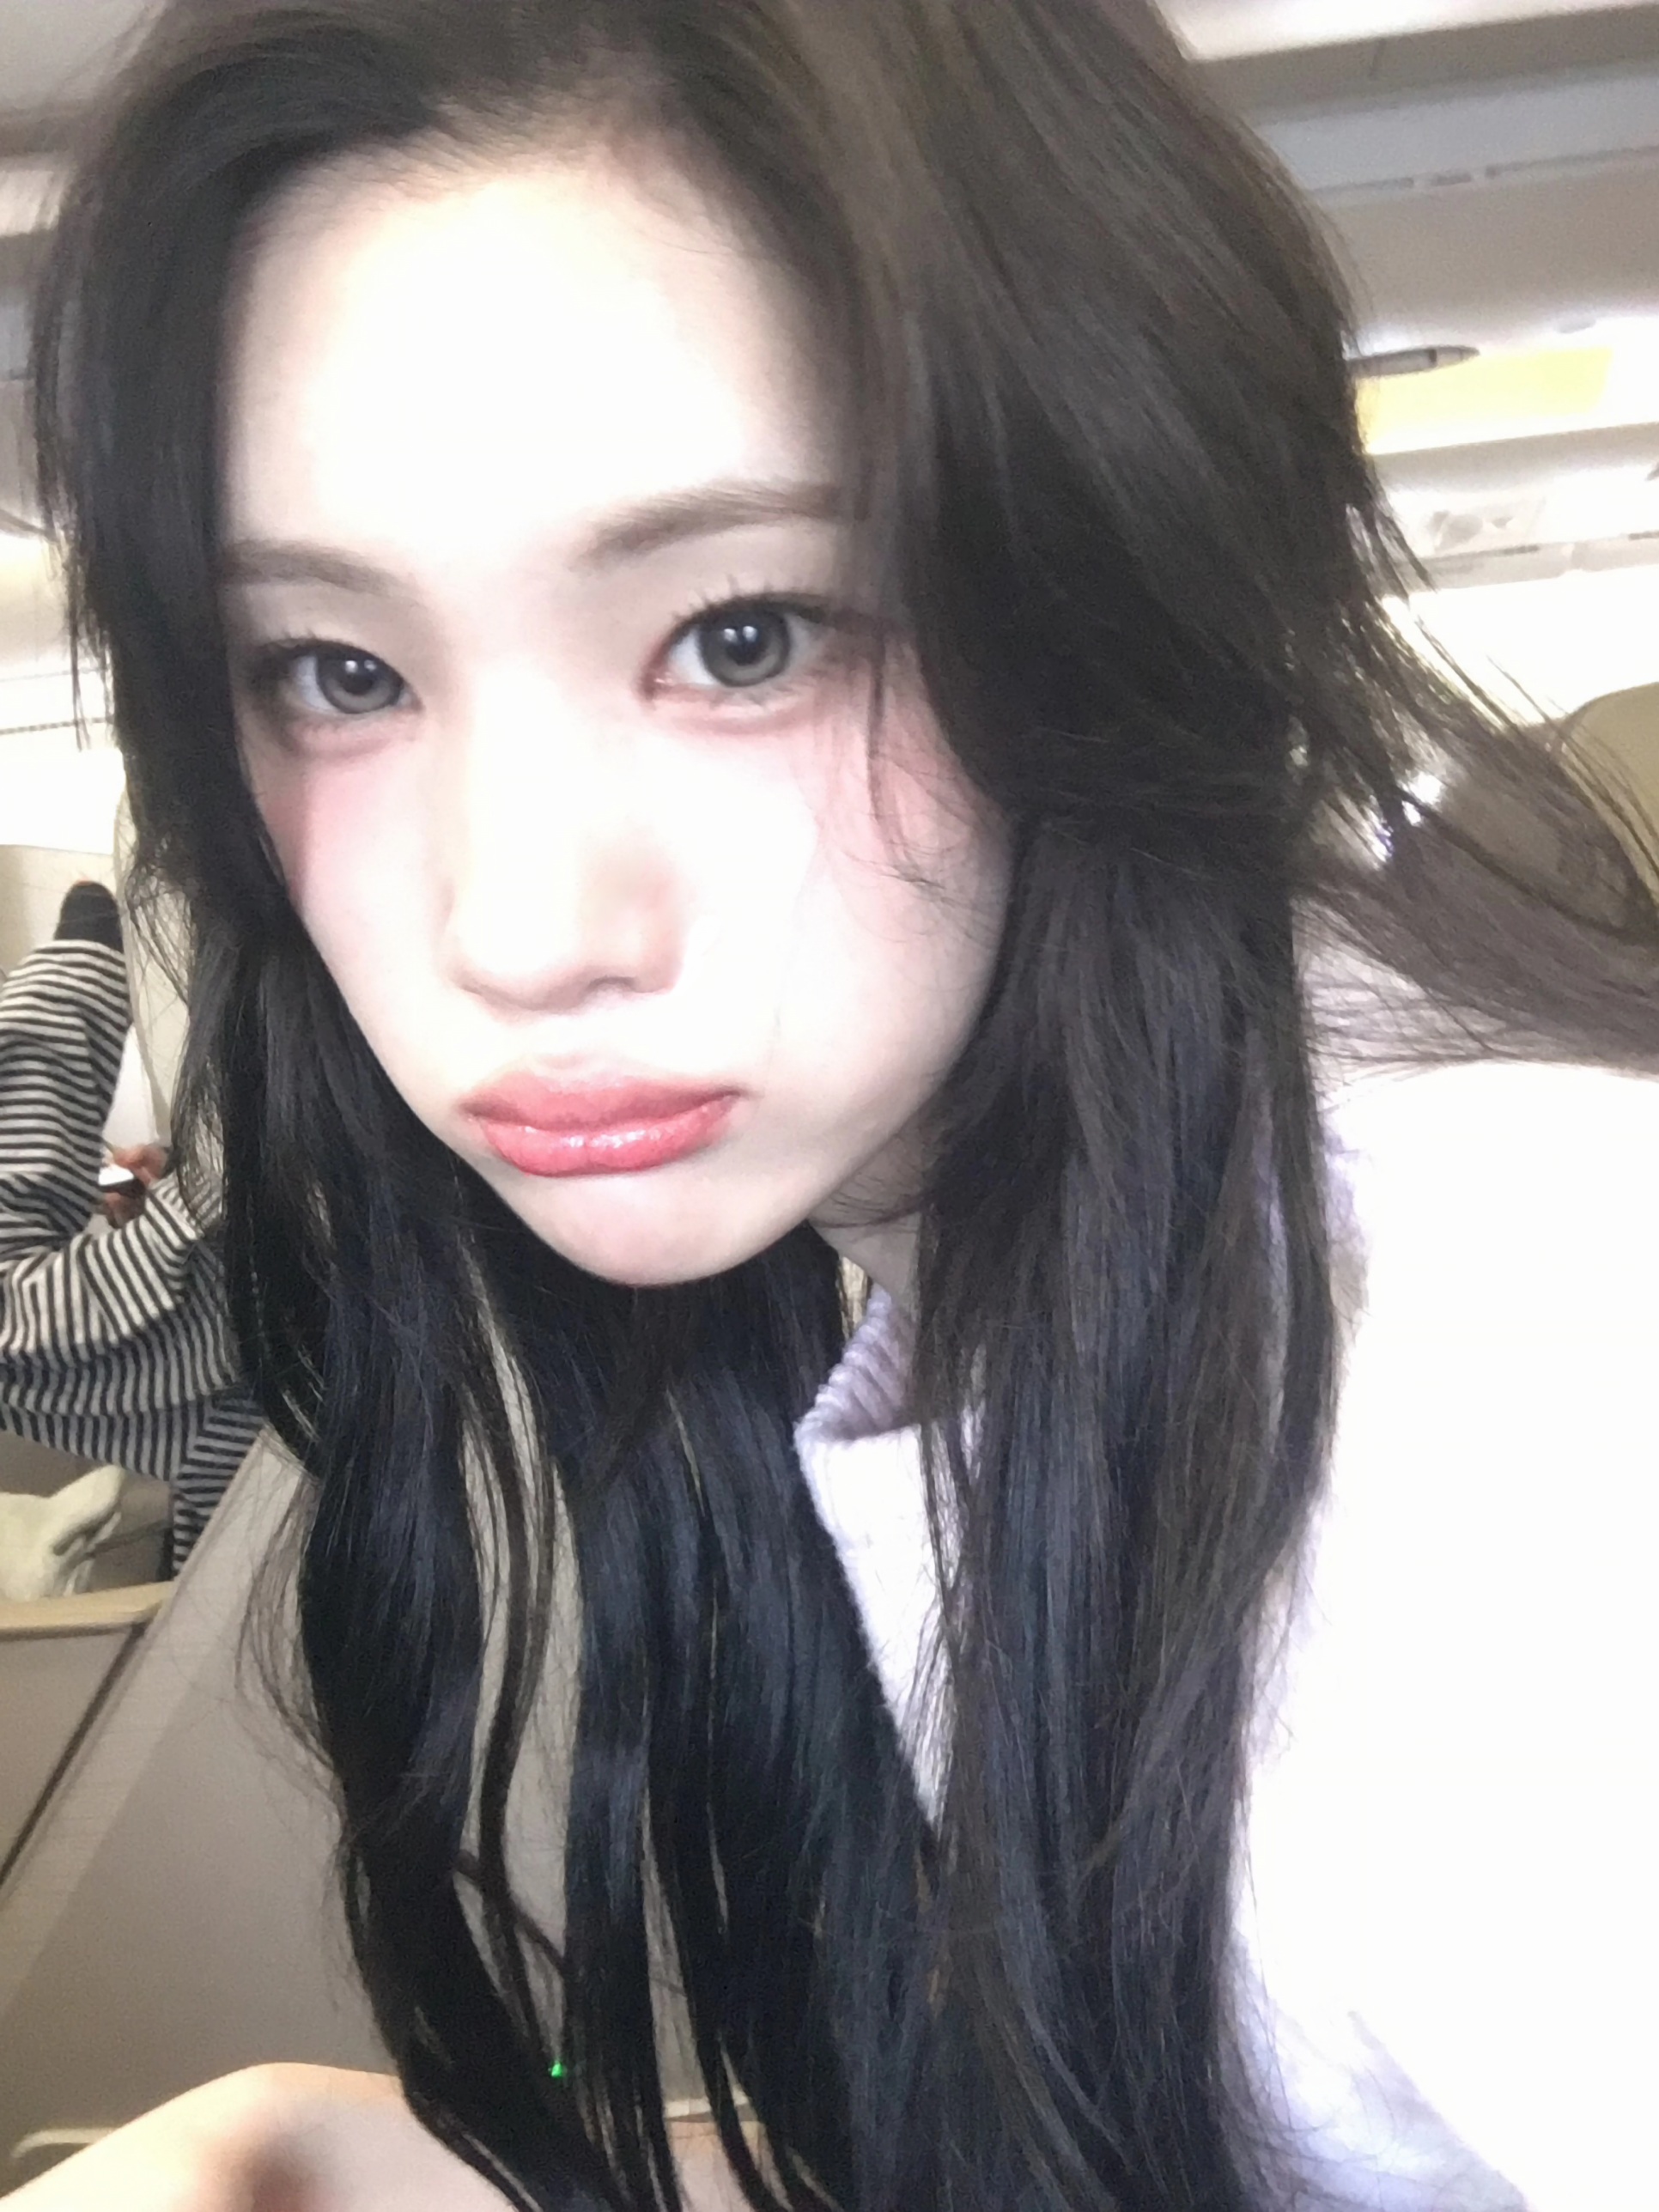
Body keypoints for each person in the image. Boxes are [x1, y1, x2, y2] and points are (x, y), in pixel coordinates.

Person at [15, 0, 1657, 2206]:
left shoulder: (1532, 1385)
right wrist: (360, 2159)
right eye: (341, 671)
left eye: (747, 636)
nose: (520, 929)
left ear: (1107, 581)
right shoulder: (993, 1271)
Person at [0, 881, 260, 1569]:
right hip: (263, 1427)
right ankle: (73, 988)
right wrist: (185, 1188)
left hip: (272, 1422)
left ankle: (73, 988)